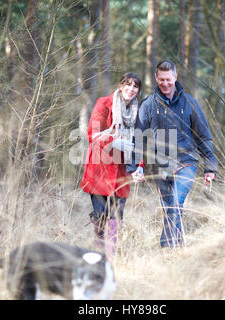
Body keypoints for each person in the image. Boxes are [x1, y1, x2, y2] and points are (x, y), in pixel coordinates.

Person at [131, 60, 217, 248]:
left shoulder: (189, 103)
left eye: (168, 79)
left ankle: (167, 248)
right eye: (161, 79)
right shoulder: (148, 105)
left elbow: (203, 135)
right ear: (156, 78)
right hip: (159, 165)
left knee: (176, 202)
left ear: (175, 77)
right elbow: (139, 138)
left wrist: (210, 167)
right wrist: (137, 166)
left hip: (186, 161)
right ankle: (177, 248)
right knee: (169, 207)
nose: (165, 83)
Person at [80, 72, 143, 259]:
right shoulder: (104, 103)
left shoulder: (138, 111)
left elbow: (140, 142)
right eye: (128, 85)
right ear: (120, 86)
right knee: (100, 217)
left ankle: (111, 258)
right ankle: (99, 254)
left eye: (135, 86)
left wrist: (140, 166)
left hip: (121, 171)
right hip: (99, 168)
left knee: (116, 217)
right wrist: (112, 142)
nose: (131, 89)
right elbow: (92, 133)